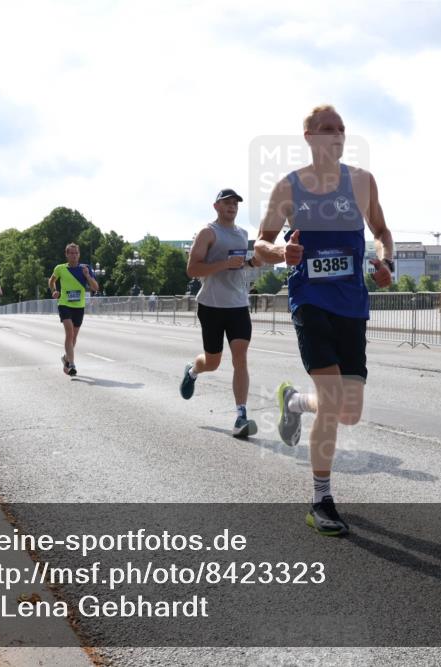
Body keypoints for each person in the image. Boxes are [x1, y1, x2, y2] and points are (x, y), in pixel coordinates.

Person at [254, 105, 394, 535]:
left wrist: (386, 262)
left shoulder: (362, 182)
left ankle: (293, 401)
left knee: (347, 411)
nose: (336, 136)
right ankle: (321, 500)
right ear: (309, 136)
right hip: (310, 300)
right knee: (333, 400)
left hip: (352, 303)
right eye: (327, 129)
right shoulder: (289, 187)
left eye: (342, 129)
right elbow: (260, 242)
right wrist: (281, 254)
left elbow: (382, 233)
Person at [180, 189, 265, 438]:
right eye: (227, 203)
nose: (232, 206)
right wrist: (223, 265)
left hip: (238, 304)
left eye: (235, 203)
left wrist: (251, 263)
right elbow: (192, 269)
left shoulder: (242, 234)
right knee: (213, 362)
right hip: (212, 305)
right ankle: (193, 370)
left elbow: (237, 265)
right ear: (216, 206)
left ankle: (241, 416)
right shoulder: (208, 232)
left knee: (240, 357)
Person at [48, 243, 99, 376]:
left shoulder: (86, 268)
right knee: (69, 333)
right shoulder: (60, 268)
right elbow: (51, 281)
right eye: (71, 253)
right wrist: (55, 291)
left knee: (74, 337)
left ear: (79, 254)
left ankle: (65, 358)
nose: (74, 255)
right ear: (66, 254)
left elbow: (95, 288)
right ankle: (72, 364)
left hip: (79, 306)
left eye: (76, 253)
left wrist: (87, 276)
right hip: (64, 304)